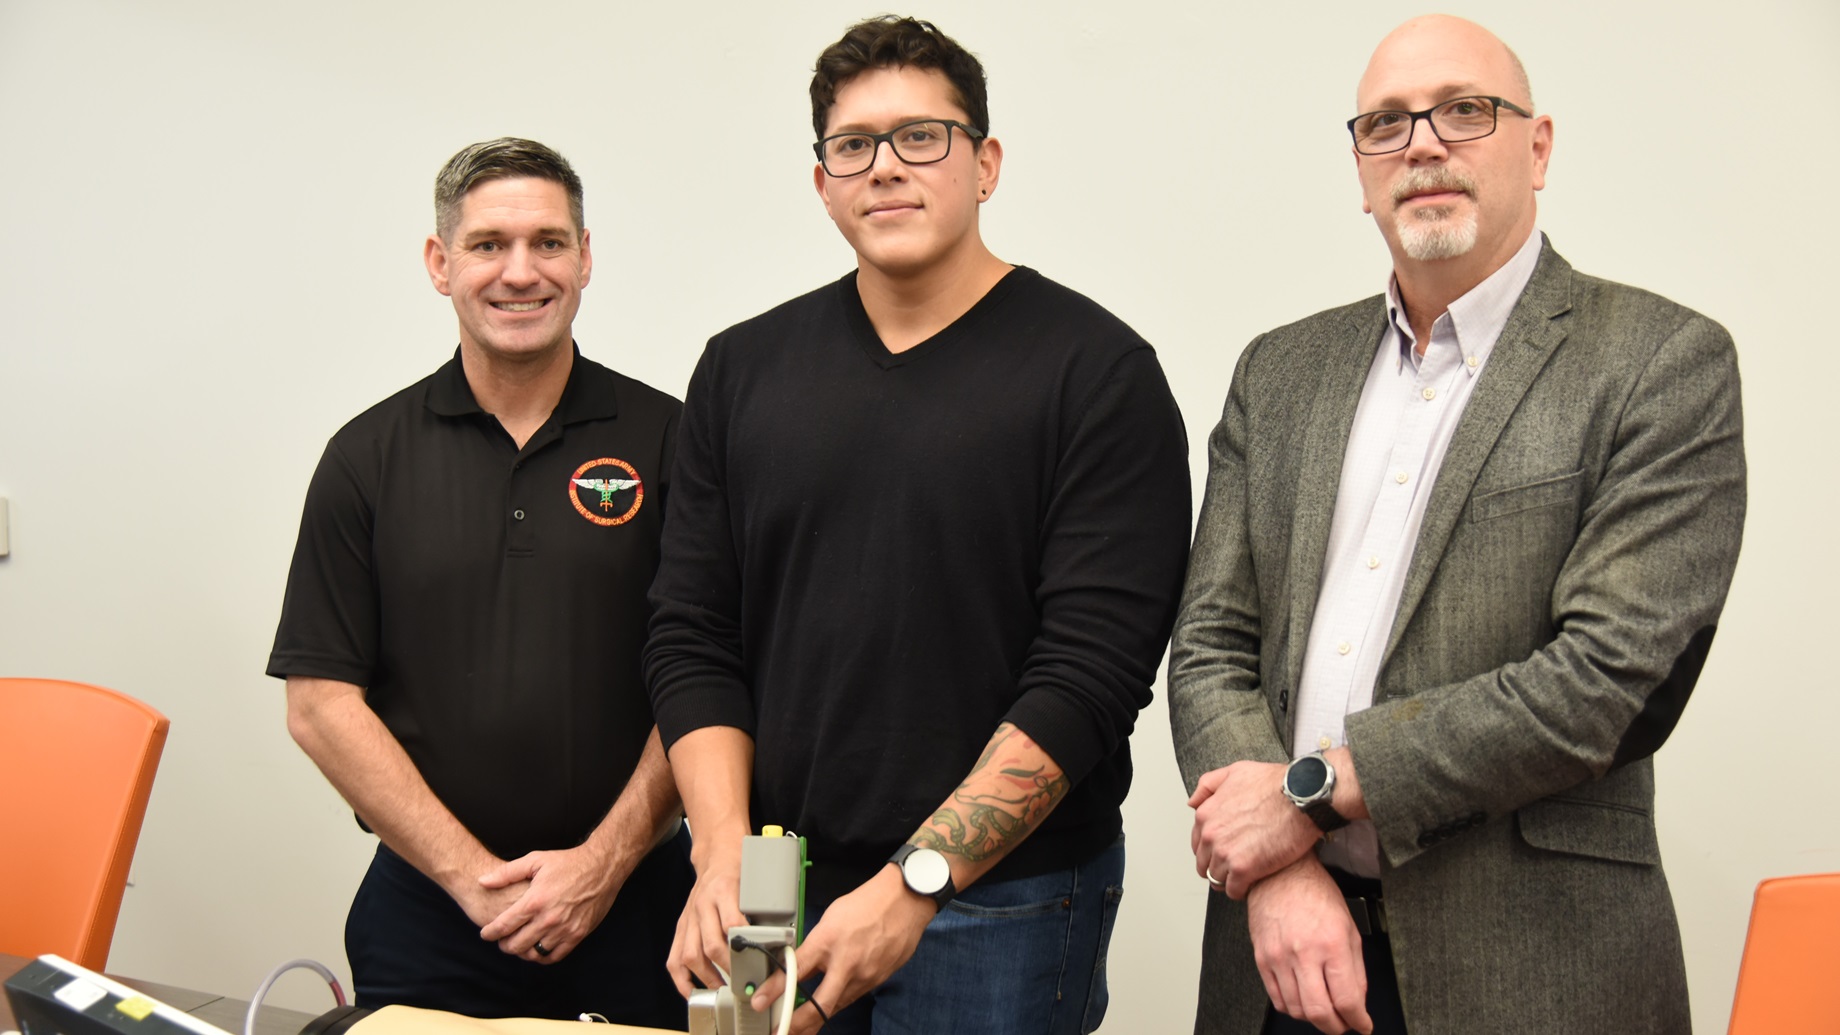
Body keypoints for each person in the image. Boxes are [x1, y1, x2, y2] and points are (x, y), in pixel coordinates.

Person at [1168, 15, 1746, 1035]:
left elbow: (1604, 683)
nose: (1423, 143)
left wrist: (1305, 795)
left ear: (1538, 146)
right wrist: (1280, 871)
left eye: (1464, 111)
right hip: (1281, 965)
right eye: (1386, 123)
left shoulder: (1659, 362)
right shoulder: (1280, 371)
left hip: (1534, 970)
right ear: (1359, 169)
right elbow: (1210, 643)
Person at [643, 16, 1191, 1035]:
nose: (885, 168)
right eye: (853, 145)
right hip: (774, 885)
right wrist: (720, 855)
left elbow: (1089, 677)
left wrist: (915, 884)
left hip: (1000, 907)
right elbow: (692, 632)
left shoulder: (1096, 375)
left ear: (984, 163)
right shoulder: (740, 370)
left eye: (921, 137)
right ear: (822, 182)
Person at [267, 138, 692, 1027]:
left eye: (547, 242)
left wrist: (603, 865)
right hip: (431, 913)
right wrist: (472, 879)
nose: (520, 271)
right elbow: (319, 703)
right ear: (440, 262)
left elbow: (713, 678)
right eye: (489, 243)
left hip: (642, 905)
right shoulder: (365, 459)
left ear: (585, 258)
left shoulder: (673, 442)